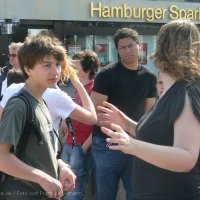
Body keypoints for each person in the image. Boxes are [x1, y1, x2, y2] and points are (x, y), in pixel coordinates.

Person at [98, 20, 200, 200]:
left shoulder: (186, 91)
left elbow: (186, 157)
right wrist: (126, 123)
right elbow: (159, 135)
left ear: (165, 46)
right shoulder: (175, 90)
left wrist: (132, 145)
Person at [0, 33, 77, 200]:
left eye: (57, 65)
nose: (55, 71)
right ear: (28, 69)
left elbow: (39, 154)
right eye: (47, 65)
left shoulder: (42, 102)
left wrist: (61, 166)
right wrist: (42, 178)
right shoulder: (18, 105)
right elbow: (2, 158)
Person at [90, 27, 157, 200]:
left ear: (139, 46)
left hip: (135, 143)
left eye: (131, 46)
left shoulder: (150, 77)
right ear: (117, 50)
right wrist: (120, 129)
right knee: (105, 195)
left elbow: (148, 114)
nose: (127, 50)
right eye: (122, 47)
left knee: (137, 194)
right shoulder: (106, 75)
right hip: (106, 144)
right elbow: (96, 114)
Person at [62, 50, 99, 200]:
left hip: (80, 146)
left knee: (74, 190)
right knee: (65, 186)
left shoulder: (94, 89)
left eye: (76, 67)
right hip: (71, 143)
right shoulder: (80, 89)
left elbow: (97, 122)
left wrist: (84, 147)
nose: (73, 71)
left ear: (88, 69)